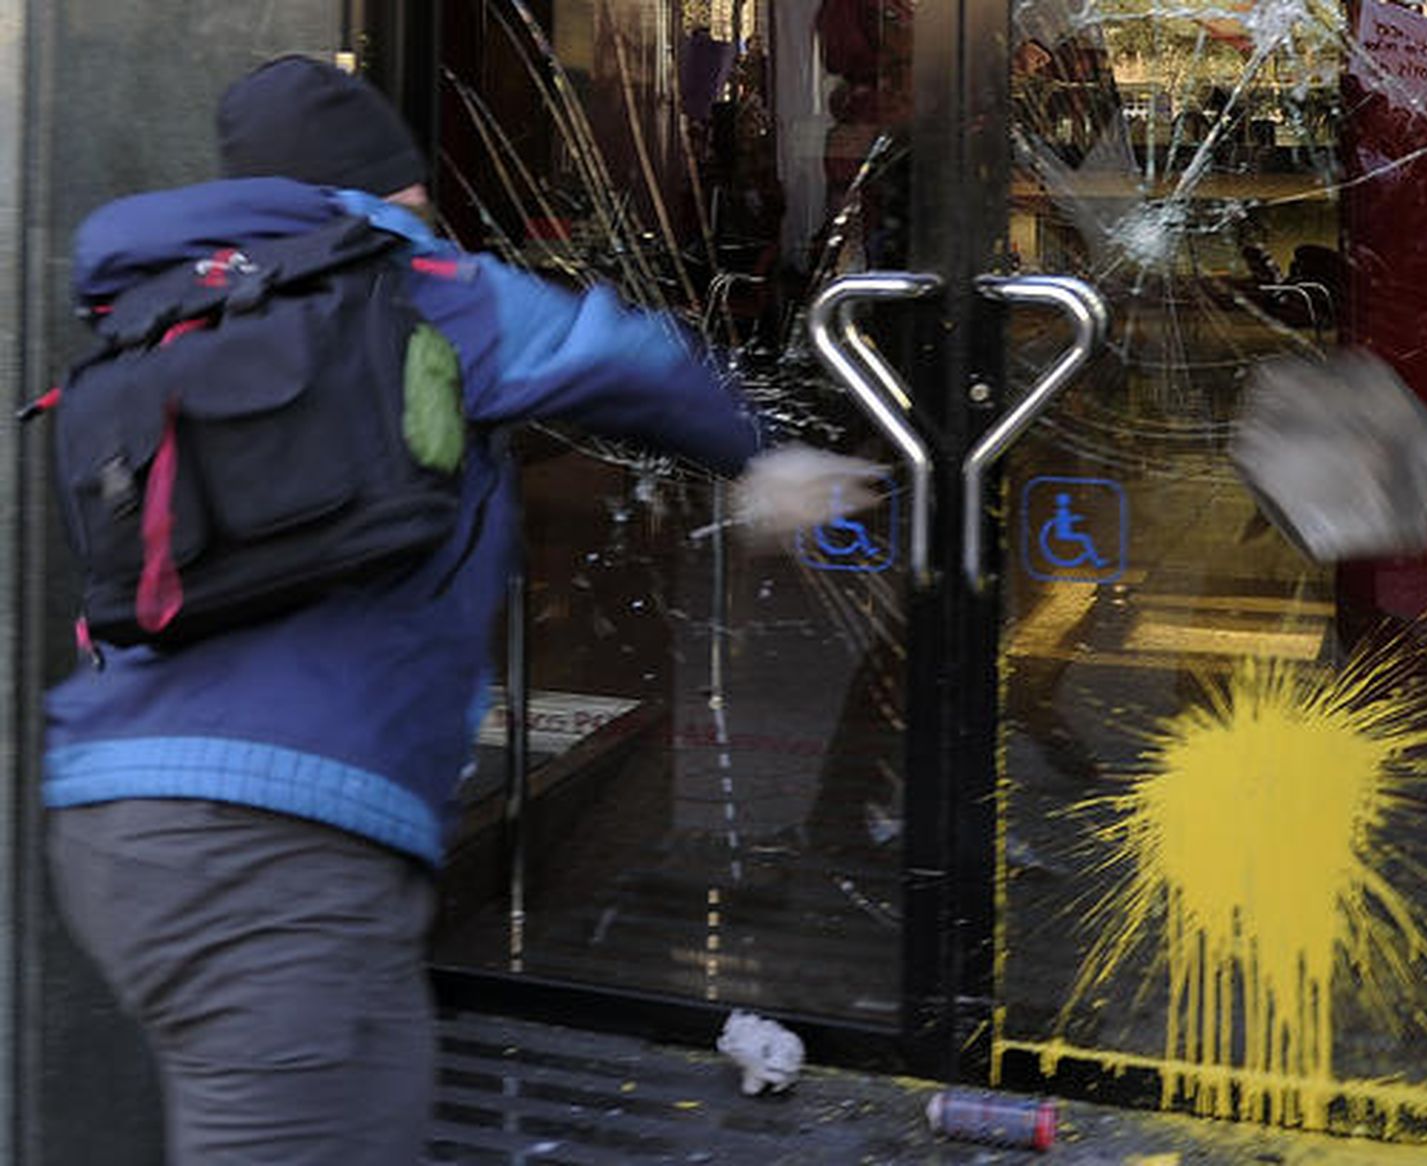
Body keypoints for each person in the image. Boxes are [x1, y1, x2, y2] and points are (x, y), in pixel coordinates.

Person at [42, 54, 873, 1165]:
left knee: (371, 1106)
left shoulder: (165, 310)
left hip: (121, 821)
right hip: (274, 856)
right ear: (400, 191)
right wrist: (757, 452)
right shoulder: (409, 283)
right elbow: (620, 353)